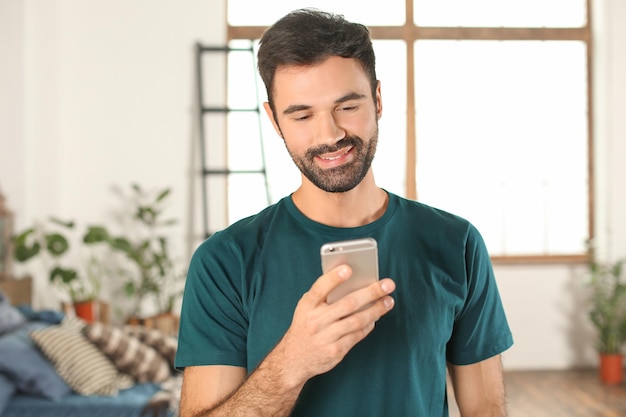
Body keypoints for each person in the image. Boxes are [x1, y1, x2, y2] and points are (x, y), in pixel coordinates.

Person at [175, 8, 513, 417]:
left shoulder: (455, 243)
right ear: (274, 121)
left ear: (378, 100)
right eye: (302, 115)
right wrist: (291, 363)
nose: (330, 135)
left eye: (347, 107)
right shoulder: (224, 261)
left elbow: (486, 410)